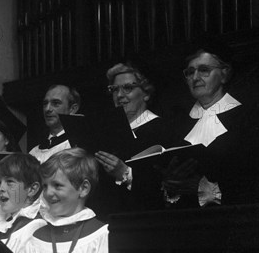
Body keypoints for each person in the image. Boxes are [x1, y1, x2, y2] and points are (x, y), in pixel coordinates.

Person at [162, 40, 259, 207]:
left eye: (204, 70)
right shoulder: (177, 124)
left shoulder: (248, 118)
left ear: (224, 74)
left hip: (234, 218)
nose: (195, 77)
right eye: (190, 72)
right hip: (183, 221)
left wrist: (206, 189)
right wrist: (171, 186)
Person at [95, 61, 169, 211]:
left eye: (128, 88)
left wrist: (125, 173)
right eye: (114, 90)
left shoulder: (162, 130)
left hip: (144, 217)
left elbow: (162, 185)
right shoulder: (107, 133)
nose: (120, 95)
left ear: (146, 94)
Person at [29, 85, 81, 163]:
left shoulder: (77, 148)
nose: (47, 109)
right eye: (45, 103)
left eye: (56, 103)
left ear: (72, 109)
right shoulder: (33, 152)